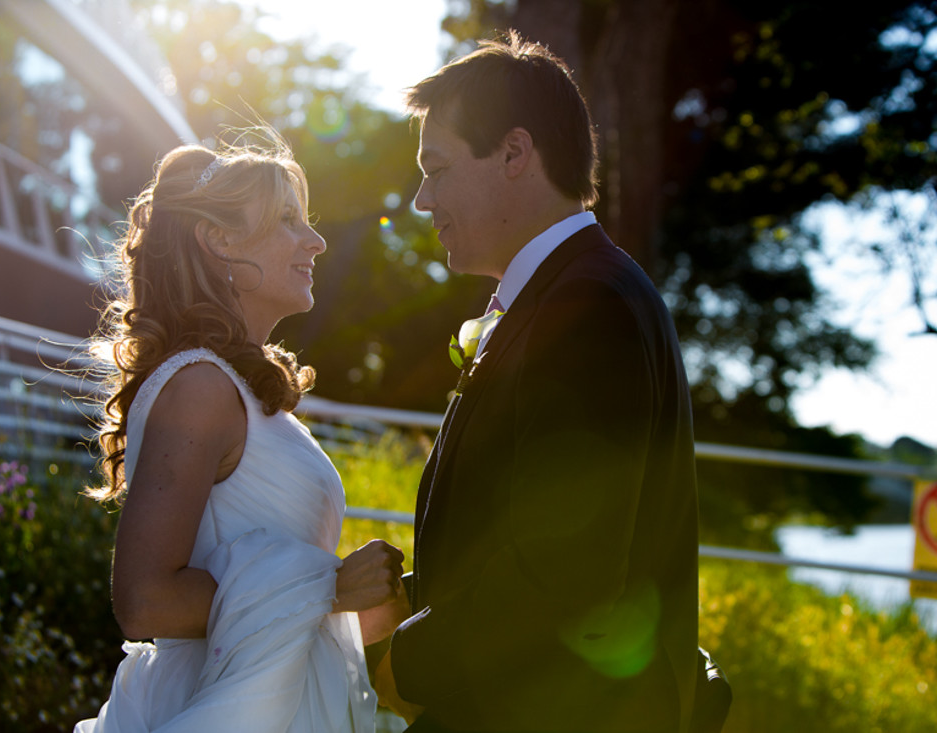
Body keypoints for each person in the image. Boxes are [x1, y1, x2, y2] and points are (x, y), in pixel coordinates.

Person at [373, 31, 702, 733]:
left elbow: (562, 571)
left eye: (437, 167)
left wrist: (401, 663)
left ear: (516, 154)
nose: (423, 200)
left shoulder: (589, 306)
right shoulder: (569, 292)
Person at [76, 130, 408, 733]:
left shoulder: (237, 390)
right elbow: (144, 601)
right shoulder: (200, 387)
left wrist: (365, 610)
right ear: (220, 240)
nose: (317, 240)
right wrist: (329, 589)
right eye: (288, 220)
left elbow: (267, 614)